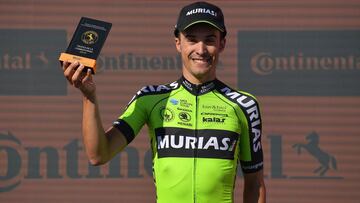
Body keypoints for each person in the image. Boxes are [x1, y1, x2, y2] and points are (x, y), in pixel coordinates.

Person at [62, 1, 266, 203]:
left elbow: (255, 183)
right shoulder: (149, 98)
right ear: (178, 42)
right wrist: (89, 96)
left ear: (222, 43)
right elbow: (99, 154)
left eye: (210, 39)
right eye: (192, 39)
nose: (201, 49)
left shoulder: (244, 105)